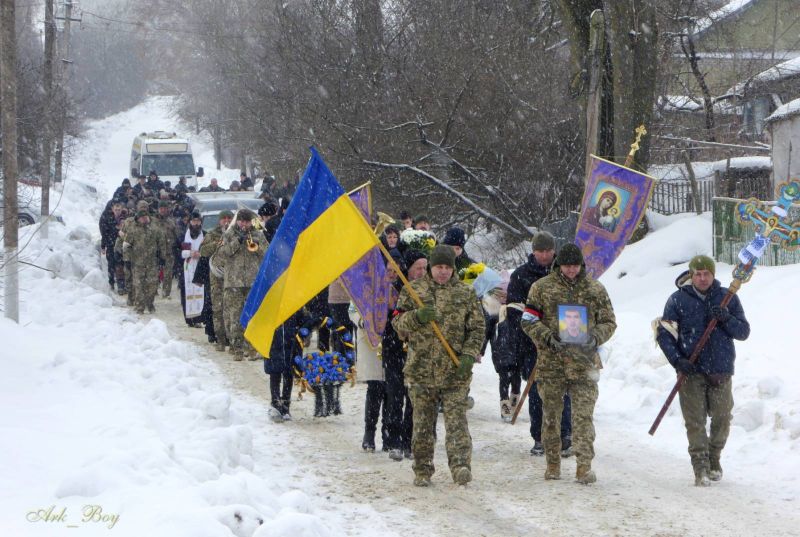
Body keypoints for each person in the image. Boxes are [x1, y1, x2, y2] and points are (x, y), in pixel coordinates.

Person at [521, 243, 616, 484]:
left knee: (583, 417)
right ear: (558, 265)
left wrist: (595, 337)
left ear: (581, 266)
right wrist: (547, 337)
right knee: (552, 416)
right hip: (552, 363)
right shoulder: (541, 288)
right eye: (566, 266)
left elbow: (609, 321)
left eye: (574, 266)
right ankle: (553, 463)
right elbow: (529, 320)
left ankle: (584, 466)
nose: (571, 271)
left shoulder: (595, 289)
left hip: (584, 364)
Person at [392, 245, 485, 487]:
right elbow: (397, 323)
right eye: (438, 267)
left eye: (447, 267)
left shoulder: (465, 294)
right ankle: (422, 469)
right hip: (421, 370)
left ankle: (461, 465)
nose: (442, 272)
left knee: (456, 422)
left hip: (455, 371)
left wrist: (469, 354)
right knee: (422, 424)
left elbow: (477, 329)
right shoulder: (413, 290)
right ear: (430, 268)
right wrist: (417, 317)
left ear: (453, 269)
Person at [656, 255, 749, 486]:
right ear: (691, 275)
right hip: (691, 370)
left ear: (713, 275)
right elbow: (665, 334)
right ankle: (700, 466)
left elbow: (743, 332)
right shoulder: (677, 300)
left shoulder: (727, 298)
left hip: (720, 369)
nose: (702, 278)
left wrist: (726, 318)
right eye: (698, 274)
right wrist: (678, 360)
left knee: (722, 418)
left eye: (706, 273)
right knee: (695, 421)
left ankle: (714, 456)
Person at [507, 231, 572, 455]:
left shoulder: (564, 272)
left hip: (563, 343)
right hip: (532, 344)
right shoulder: (521, 276)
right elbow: (514, 311)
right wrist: (534, 334)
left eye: (548, 251)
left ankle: (565, 434)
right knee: (537, 390)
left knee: (564, 389)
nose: (544, 255)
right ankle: (540, 436)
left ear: (554, 251)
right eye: (540, 251)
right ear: (533, 252)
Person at [218, 209, 268, 360]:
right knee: (235, 316)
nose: (244, 224)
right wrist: (237, 241)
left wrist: (258, 245)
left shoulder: (258, 232)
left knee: (252, 316)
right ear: (238, 221)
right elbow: (222, 253)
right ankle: (236, 348)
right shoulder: (229, 233)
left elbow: (267, 252)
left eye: (247, 221)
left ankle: (252, 348)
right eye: (242, 221)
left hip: (253, 281)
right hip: (234, 281)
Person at [200, 209, 234, 352]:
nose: (226, 221)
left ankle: (233, 340)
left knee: (233, 310)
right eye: (223, 218)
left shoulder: (236, 234)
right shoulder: (212, 234)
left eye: (229, 218)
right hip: (217, 279)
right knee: (218, 309)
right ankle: (220, 339)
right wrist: (216, 243)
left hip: (233, 278)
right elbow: (203, 251)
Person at [123, 209, 162, 314]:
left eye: (146, 217)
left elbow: (161, 243)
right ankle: (139, 307)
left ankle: (149, 303)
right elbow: (126, 246)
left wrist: (162, 256)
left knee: (153, 285)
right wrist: (127, 260)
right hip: (137, 263)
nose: (144, 219)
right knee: (139, 286)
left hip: (152, 263)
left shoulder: (154, 229)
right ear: (138, 219)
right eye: (142, 217)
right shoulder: (132, 230)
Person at [154, 200, 179, 299]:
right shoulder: (153, 221)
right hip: (155, 252)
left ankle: (166, 294)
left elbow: (177, 235)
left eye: (164, 208)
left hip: (168, 252)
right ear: (158, 209)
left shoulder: (171, 221)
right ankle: (153, 292)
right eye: (161, 208)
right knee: (154, 274)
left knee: (168, 274)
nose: (163, 210)